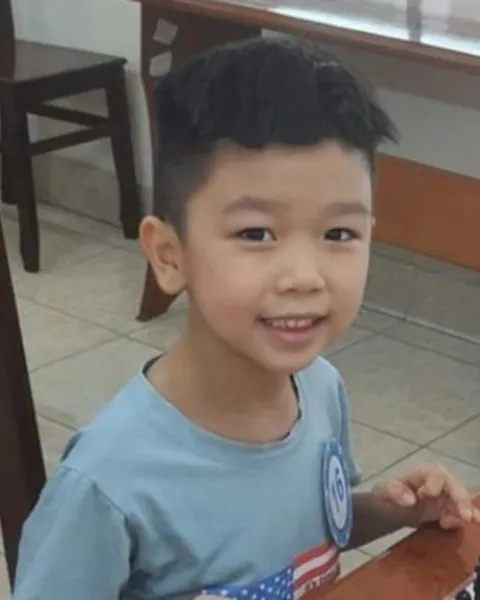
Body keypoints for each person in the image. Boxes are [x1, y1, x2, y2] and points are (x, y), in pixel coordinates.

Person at [13, 37, 480, 600]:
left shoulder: (321, 389)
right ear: (169, 256)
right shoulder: (107, 485)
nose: (304, 276)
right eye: (256, 233)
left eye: (339, 233)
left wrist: (391, 511)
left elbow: (310, 533)